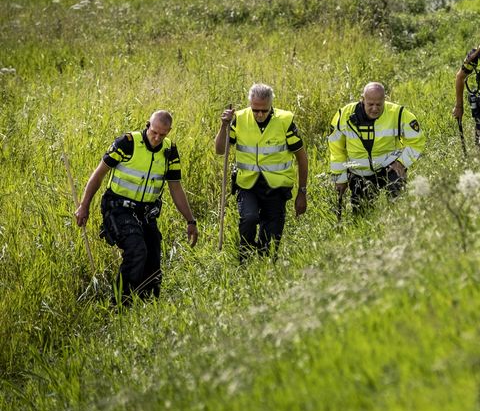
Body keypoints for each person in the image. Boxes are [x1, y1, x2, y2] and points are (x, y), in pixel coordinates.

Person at [74, 110, 199, 305]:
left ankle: (147, 306)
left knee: (153, 254)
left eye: (162, 134)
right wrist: (84, 205)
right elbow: (98, 175)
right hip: (117, 208)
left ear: (169, 132)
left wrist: (190, 220)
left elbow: (175, 188)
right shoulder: (127, 143)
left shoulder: (170, 150)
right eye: (154, 132)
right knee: (136, 249)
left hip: (146, 212)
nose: (157, 138)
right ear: (148, 125)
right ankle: (119, 306)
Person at [215, 83, 308, 261]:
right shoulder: (239, 119)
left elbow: (302, 158)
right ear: (250, 104)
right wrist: (224, 126)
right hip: (247, 184)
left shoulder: (284, 121)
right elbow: (220, 150)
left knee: (270, 242)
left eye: (264, 111)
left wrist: (302, 192)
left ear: (271, 106)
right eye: (255, 109)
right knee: (249, 219)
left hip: (277, 187)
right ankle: (245, 260)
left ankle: (264, 266)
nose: (259, 114)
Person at [329, 82, 426, 214]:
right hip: (360, 174)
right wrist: (340, 179)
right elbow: (336, 149)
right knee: (362, 216)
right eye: (370, 104)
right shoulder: (344, 115)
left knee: (399, 210)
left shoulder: (398, 113)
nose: (374, 109)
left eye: (379, 104)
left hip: (390, 168)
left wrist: (402, 162)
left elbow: (417, 140)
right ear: (362, 99)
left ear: (384, 100)